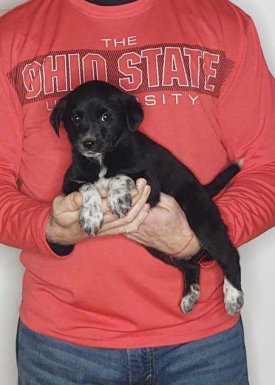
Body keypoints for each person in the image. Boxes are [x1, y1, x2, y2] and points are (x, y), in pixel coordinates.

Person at [0, 0, 274, 384]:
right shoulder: (11, 35)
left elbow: (269, 166)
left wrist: (197, 238)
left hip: (202, 343)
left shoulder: (223, 23)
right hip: (61, 346)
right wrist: (47, 230)